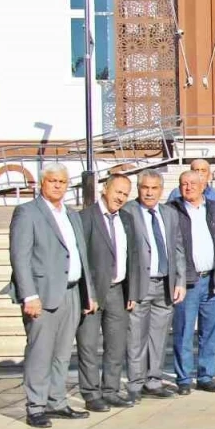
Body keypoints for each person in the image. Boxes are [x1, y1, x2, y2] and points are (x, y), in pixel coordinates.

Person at [6, 165, 95, 428]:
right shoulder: (27, 212)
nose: (57, 186)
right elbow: (20, 257)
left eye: (62, 182)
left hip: (72, 292)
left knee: (62, 353)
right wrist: (29, 295)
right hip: (42, 295)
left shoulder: (71, 214)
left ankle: (57, 401)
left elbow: (80, 255)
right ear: (42, 183)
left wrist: (88, 293)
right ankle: (36, 406)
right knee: (40, 352)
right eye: (52, 181)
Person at [75, 173, 139, 412]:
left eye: (125, 194)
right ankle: (91, 393)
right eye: (117, 192)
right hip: (93, 292)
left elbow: (132, 256)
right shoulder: (85, 218)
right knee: (88, 345)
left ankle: (111, 390)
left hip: (118, 291)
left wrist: (132, 291)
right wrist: (86, 293)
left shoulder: (127, 219)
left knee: (116, 345)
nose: (120, 198)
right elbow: (80, 258)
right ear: (105, 189)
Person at [123, 170, 186, 401]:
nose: (149, 192)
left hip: (165, 283)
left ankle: (154, 380)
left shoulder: (169, 213)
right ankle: (135, 383)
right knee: (136, 337)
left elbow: (178, 248)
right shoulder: (128, 212)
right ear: (138, 188)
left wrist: (180, 281)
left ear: (161, 190)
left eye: (154, 188)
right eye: (145, 188)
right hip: (140, 284)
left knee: (158, 337)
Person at [169, 169, 215, 394]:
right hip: (188, 281)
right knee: (184, 330)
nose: (188, 187)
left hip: (212, 279)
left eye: (193, 183)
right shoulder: (173, 210)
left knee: (210, 331)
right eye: (184, 183)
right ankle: (184, 378)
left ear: (203, 185)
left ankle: (206, 376)